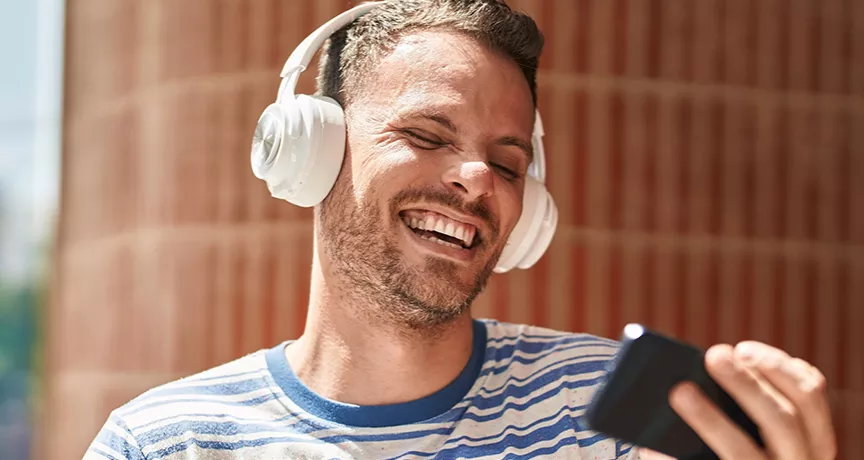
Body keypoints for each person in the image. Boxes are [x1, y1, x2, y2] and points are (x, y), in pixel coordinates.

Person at [85, 1, 837, 459]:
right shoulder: (163, 445)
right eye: (427, 133)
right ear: (312, 151)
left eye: (508, 164)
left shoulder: (609, 419)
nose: (477, 179)